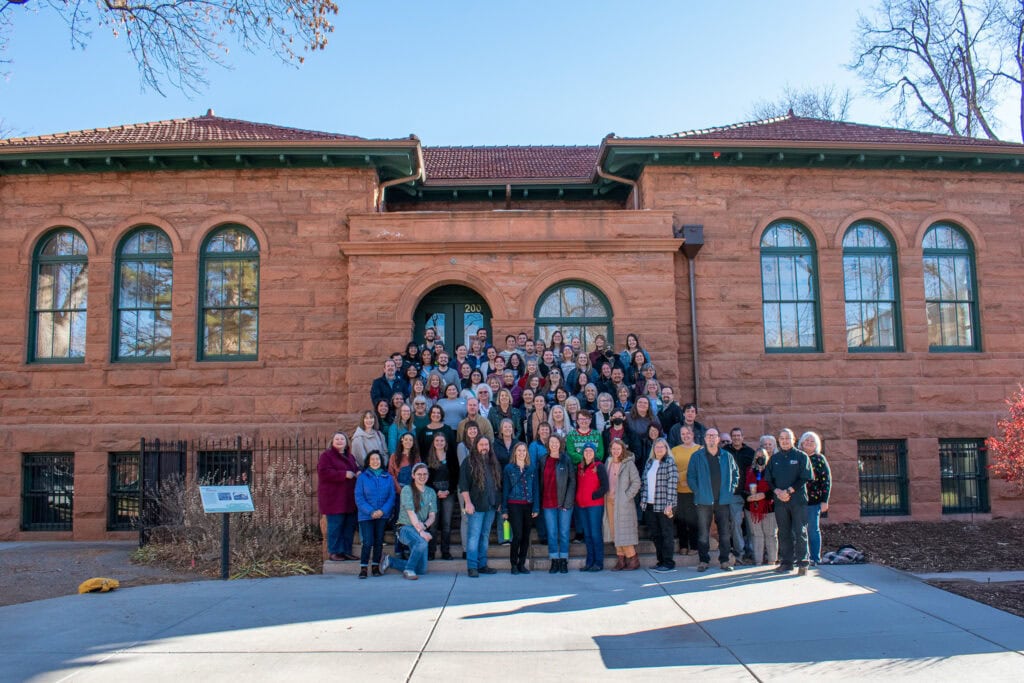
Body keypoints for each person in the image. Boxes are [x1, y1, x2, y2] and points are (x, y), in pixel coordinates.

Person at [686, 428, 739, 572]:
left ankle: (725, 560)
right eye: (708, 436)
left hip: (723, 500)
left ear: (718, 439)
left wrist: (731, 489)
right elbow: (690, 476)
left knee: (725, 532)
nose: (711, 438)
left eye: (714, 436)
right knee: (703, 532)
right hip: (704, 500)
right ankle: (703, 560)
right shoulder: (697, 456)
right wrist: (697, 491)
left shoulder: (727, 456)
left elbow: (735, 475)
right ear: (704, 438)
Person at [766, 428, 814, 575]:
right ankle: (786, 563)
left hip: (797, 501)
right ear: (778, 440)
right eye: (782, 438)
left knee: (800, 532)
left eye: (788, 438)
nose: (785, 441)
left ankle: (803, 564)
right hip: (780, 502)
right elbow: (769, 479)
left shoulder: (801, 456)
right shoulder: (774, 459)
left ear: (794, 440)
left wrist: (788, 491)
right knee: (783, 533)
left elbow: (805, 477)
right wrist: (777, 492)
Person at [381, 463, 437, 580]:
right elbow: (411, 513)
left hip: (419, 528)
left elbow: (432, 515)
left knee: (421, 569)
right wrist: (421, 532)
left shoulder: (431, 492)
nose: (422, 476)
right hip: (405, 528)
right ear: (413, 475)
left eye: (425, 474)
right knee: (422, 542)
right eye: (419, 474)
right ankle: (409, 569)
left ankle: (390, 560)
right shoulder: (407, 490)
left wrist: (425, 525)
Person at [459, 436, 503, 577]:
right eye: (481, 444)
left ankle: (482, 565)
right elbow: (463, 485)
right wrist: (468, 503)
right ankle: (472, 566)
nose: (484, 447)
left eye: (486, 444)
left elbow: (498, 484)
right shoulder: (469, 462)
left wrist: (499, 501)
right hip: (476, 506)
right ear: (476, 446)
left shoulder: (493, 462)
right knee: (473, 537)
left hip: (491, 505)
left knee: (485, 536)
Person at [318, 431, 361, 562]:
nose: (339, 441)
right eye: (337, 439)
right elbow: (323, 473)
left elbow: (354, 470)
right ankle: (334, 552)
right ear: (332, 441)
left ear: (346, 442)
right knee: (335, 526)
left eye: (342, 439)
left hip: (348, 499)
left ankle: (346, 551)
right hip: (334, 499)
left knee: (348, 527)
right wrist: (343, 475)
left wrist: (358, 472)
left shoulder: (350, 457)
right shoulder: (327, 456)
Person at [354, 450, 395, 578]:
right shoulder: (362, 477)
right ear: (368, 461)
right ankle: (364, 568)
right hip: (366, 516)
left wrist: (382, 511)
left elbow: (391, 496)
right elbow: (359, 497)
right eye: (372, 459)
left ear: (381, 461)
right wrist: (371, 511)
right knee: (367, 542)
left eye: (377, 459)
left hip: (382, 515)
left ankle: (376, 566)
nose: (375, 461)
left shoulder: (387, 477)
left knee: (378, 541)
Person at [640, 437, 679, 572]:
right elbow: (644, 482)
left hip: (664, 505)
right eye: (657, 447)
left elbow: (672, 484)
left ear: (666, 448)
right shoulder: (649, 462)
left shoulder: (669, 462)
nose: (659, 449)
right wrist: (643, 500)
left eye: (662, 447)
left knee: (666, 533)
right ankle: (660, 560)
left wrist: (669, 504)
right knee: (656, 534)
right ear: (654, 449)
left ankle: (668, 562)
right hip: (650, 504)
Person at [537, 433, 575, 573]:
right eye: (551, 442)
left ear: (560, 444)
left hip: (564, 503)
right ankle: (554, 560)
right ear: (548, 444)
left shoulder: (566, 459)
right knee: (552, 533)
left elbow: (572, 482)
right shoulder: (543, 460)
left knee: (564, 533)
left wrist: (568, 502)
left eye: (556, 442)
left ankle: (563, 560)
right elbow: (539, 482)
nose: (554, 444)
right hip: (548, 503)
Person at [502, 442, 539, 574]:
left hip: (528, 505)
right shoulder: (509, 469)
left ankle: (522, 563)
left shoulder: (532, 468)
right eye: (519, 450)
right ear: (515, 452)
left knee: (526, 535)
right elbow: (505, 489)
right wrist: (505, 509)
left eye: (524, 450)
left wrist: (536, 507)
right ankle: (513, 564)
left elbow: (535, 488)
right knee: (517, 535)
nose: (521, 453)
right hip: (514, 504)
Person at [605, 438, 641, 571]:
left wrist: (626, 496)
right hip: (609, 501)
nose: (615, 451)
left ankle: (633, 558)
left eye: (618, 449)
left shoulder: (628, 464)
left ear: (622, 450)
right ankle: (620, 559)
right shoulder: (608, 462)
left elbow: (636, 482)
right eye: (613, 449)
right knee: (614, 532)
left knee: (624, 532)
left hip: (624, 503)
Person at [723, 427, 757, 564]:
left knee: (752, 525)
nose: (736, 438)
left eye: (739, 435)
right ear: (731, 438)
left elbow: (756, 472)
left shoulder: (750, 452)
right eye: (734, 436)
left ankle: (754, 551)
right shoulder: (725, 452)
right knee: (736, 523)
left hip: (750, 494)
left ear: (743, 437)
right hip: (734, 494)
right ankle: (740, 552)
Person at [575, 443, 609, 572]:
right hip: (582, 505)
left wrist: (594, 496)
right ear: (583, 453)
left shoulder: (599, 466)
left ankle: (598, 562)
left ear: (594, 453)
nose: (588, 453)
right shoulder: (580, 467)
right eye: (586, 451)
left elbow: (605, 486)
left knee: (595, 534)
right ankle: (589, 562)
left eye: (591, 451)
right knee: (587, 535)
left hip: (594, 505)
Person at [426, 433, 459, 561]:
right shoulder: (428, 458)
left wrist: (449, 490)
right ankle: (431, 551)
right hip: (433, 493)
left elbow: (456, 475)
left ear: (445, 443)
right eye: (437, 440)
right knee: (433, 523)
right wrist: (436, 491)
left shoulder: (451, 456)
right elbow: (426, 478)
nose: (439, 443)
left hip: (448, 493)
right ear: (433, 442)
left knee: (446, 523)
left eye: (442, 440)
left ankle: (445, 551)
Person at [800, 431, 831, 566]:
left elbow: (826, 481)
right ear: (801, 442)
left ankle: (815, 558)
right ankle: (802, 557)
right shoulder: (798, 457)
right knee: (799, 530)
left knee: (813, 529)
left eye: (812, 441)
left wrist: (825, 500)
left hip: (814, 502)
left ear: (816, 444)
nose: (808, 443)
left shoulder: (819, 459)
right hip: (798, 501)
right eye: (806, 440)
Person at [670, 425, 701, 556]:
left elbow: (700, 470)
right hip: (678, 490)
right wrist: (681, 477)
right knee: (681, 519)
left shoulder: (699, 449)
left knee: (693, 519)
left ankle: (694, 546)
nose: (685, 436)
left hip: (693, 490)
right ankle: (683, 545)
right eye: (683, 434)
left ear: (693, 434)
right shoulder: (674, 450)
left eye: (688, 433)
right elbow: (671, 468)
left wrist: (685, 477)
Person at [744, 447, 778, 566]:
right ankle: (758, 560)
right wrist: (747, 497)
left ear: (767, 457)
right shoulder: (749, 471)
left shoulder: (772, 471)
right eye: (757, 456)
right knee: (757, 535)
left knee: (770, 535)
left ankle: (772, 560)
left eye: (762, 456)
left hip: (769, 507)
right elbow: (743, 488)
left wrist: (763, 495)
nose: (760, 458)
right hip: (752, 508)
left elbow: (775, 489)